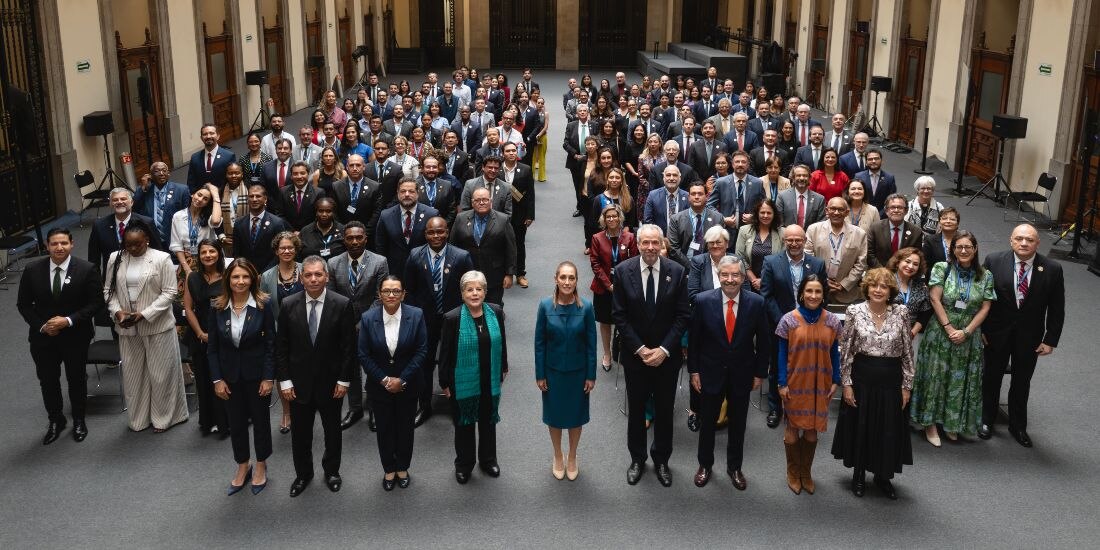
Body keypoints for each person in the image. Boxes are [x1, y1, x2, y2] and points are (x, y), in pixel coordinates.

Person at [612, 224, 691, 487]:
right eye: (645, 243)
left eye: (655, 243)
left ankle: (661, 460)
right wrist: (641, 349)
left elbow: (682, 317)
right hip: (636, 358)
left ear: (661, 244)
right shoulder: (623, 272)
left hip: (666, 359)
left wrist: (664, 350)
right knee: (636, 411)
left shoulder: (677, 273)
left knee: (665, 411)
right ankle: (637, 459)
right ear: (638, 244)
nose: (650, 248)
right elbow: (619, 317)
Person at [688, 255, 770, 490]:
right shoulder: (703, 301)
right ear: (719, 276)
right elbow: (694, 341)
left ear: (743, 277)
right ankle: (705, 465)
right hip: (709, 372)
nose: (730, 279)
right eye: (725, 275)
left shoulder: (756, 303)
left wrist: (759, 373)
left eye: (735, 275)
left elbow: (764, 342)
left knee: (738, 424)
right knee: (707, 423)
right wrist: (694, 371)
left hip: (742, 373)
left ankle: (735, 467)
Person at [832, 268, 915, 499]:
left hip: (891, 380)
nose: (878, 290)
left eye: (884, 286)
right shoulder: (854, 311)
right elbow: (846, 350)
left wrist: (907, 385)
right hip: (862, 379)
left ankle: (883, 476)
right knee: (862, 427)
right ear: (867, 288)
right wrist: (846, 384)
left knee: (887, 429)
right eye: (874, 285)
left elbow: (908, 351)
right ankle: (858, 474)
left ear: (891, 291)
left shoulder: (901, 312)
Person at [276, 256, 355, 497]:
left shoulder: (342, 304)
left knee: (333, 432)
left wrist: (344, 380)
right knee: (300, 434)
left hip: (331, 385)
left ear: (327, 277)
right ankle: (303, 474)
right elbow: (282, 348)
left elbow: (349, 347)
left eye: (318, 274)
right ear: (301, 278)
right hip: (298, 385)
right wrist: (285, 381)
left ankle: (332, 471)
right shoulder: (288, 304)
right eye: (308, 275)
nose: (313, 279)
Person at [980, 224, 1065, 447]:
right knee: (991, 377)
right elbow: (981, 300)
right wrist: (981, 330)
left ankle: (1017, 426)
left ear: (1038, 243)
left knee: (1021, 381)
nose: (1024, 243)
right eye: (1019, 239)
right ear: (1011, 241)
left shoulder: (1053, 269)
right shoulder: (993, 261)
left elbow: (1057, 308)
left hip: (1030, 337)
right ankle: (986, 420)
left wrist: (1050, 340)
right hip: (995, 334)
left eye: (1029, 240)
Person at [17, 228, 104, 445]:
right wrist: (43, 326)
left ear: (72, 244)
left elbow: (96, 303)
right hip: (43, 338)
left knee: (76, 379)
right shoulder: (32, 269)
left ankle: (78, 420)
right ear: (47, 246)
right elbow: (24, 305)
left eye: (64, 243)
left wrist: (68, 320)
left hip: (75, 336)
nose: (59, 248)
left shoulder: (87, 269)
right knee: (48, 381)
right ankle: (56, 419)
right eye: (54, 244)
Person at [103, 220, 189, 433]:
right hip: (127, 326)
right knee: (134, 375)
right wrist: (118, 312)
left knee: (161, 375)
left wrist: (144, 314)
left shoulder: (161, 259)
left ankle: (164, 418)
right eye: (128, 245)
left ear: (147, 241)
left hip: (157, 325)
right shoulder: (116, 258)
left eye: (137, 245)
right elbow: (108, 291)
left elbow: (170, 292)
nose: (132, 249)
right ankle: (139, 419)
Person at [910, 230, 994, 445]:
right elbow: (935, 299)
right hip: (940, 331)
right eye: (959, 247)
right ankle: (930, 425)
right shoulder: (942, 268)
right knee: (935, 376)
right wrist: (949, 328)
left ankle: (952, 423)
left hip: (968, 335)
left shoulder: (985, 275)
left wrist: (966, 331)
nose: (963, 251)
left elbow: (985, 307)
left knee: (959, 378)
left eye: (968, 247)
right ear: (953, 250)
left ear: (975, 249)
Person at [207, 258, 276, 495]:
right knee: (235, 424)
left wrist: (269, 377)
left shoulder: (263, 305)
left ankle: (260, 464)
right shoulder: (217, 307)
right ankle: (242, 464)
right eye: (235, 277)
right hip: (229, 379)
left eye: (245, 277)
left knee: (261, 422)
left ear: (253, 279)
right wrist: (217, 379)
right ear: (228, 279)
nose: (240, 281)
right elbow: (212, 348)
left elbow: (271, 346)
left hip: (257, 377)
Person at [439, 271, 509, 484]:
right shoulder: (452, 318)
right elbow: (445, 354)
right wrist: (444, 382)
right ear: (462, 294)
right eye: (470, 289)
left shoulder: (496, 312)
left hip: (489, 378)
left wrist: (503, 366)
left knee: (488, 421)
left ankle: (488, 460)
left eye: (479, 289)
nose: (475, 293)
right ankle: (464, 464)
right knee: (464, 425)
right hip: (461, 382)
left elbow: (501, 342)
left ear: (485, 292)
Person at [358, 275, 427, 490]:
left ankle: (402, 467)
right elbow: (363, 354)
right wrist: (385, 379)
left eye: (396, 291)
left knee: (405, 428)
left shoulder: (416, 315)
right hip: (380, 386)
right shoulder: (368, 318)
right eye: (386, 291)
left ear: (403, 294)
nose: (391, 295)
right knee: (385, 428)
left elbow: (422, 350)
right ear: (379, 294)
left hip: (408, 385)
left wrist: (403, 379)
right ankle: (389, 468)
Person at [404, 217, 474, 426]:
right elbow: (410, 291)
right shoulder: (415, 256)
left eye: (440, 232)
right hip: (424, 320)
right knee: (423, 364)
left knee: (455, 363)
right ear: (425, 234)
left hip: (454, 319)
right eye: (431, 233)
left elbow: (470, 290)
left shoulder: (462, 257)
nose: (436, 236)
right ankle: (424, 406)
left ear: (447, 232)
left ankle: (457, 405)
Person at [775, 275, 841, 494]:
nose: (813, 296)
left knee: (813, 430)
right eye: (809, 291)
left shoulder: (831, 320)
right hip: (795, 382)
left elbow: (834, 352)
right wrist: (782, 383)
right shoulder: (788, 320)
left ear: (823, 295)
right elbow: (782, 354)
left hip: (821, 382)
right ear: (802, 294)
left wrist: (835, 380)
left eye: (818, 292)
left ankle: (806, 472)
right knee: (793, 427)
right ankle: (793, 472)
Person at [759, 224, 829, 428]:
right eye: (790, 239)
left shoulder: (817, 264)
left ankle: (804, 405)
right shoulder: (771, 262)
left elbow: (822, 295)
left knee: (805, 365)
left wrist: (810, 320)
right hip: (779, 323)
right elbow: (766, 294)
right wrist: (785, 322)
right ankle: (775, 408)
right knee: (777, 365)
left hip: (810, 325)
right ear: (784, 241)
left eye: (798, 239)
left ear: (805, 241)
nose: (794, 243)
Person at [534, 261, 597, 481]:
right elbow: (539, 343)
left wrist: (591, 375)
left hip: (579, 374)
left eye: (571, 278)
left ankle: (572, 455)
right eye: (563, 277)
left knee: (575, 416)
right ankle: (557, 454)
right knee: (555, 416)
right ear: (556, 279)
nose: (567, 282)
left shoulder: (586, 307)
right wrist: (540, 374)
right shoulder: (544, 306)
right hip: (553, 373)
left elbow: (591, 344)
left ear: (577, 281)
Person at [327, 221, 390, 430]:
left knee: (373, 367)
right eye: (350, 238)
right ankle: (355, 408)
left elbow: (381, 296)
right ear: (344, 240)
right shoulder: (334, 263)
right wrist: (347, 323)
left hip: (372, 323)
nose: (354, 242)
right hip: (344, 326)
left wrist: (362, 322)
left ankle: (374, 408)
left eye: (358, 238)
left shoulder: (380, 262)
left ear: (365, 238)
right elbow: (333, 297)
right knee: (350, 367)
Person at [182, 239, 229, 437]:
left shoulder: (228, 276)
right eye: (203, 252)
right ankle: (208, 420)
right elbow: (188, 308)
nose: (208, 255)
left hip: (224, 334)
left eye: (212, 251)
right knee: (203, 378)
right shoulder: (192, 277)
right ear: (198, 256)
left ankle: (225, 421)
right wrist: (200, 333)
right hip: (199, 334)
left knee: (223, 377)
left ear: (219, 253)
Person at [259, 231, 305, 433]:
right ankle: (287, 413)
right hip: (278, 333)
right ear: (276, 251)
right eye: (282, 248)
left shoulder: (306, 270)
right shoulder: (267, 276)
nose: (286, 251)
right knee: (282, 373)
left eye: (290, 247)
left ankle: (303, 410)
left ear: (296, 249)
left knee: (303, 372)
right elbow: (262, 306)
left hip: (304, 332)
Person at [589, 204, 638, 371]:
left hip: (625, 284)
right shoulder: (597, 238)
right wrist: (609, 285)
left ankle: (624, 351)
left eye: (614, 216)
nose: (611, 219)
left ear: (619, 218)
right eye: (608, 216)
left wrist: (622, 285)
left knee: (625, 319)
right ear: (604, 219)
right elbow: (595, 264)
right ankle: (607, 353)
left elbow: (634, 262)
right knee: (605, 321)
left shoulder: (630, 237)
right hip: (604, 285)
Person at [450, 187, 516, 306]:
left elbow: (511, 249)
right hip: (467, 271)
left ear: (491, 201)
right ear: (472, 202)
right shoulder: (461, 218)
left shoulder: (503, 219)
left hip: (494, 273)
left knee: (493, 307)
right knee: (469, 306)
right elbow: (453, 245)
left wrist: (509, 273)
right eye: (477, 200)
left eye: (485, 200)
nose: (481, 202)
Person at [804, 197, 868, 305]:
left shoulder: (860, 234)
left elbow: (861, 264)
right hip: (817, 291)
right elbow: (807, 259)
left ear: (847, 212)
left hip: (847, 293)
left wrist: (844, 284)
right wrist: (823, 281)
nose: (836, 212)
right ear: (826, 211)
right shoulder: (813, 230)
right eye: (833, 209)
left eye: (840, 209)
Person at [374, 178, 440, 278]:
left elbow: (437, 244)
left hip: (424, 270)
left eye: (411, 191)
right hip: (395, 271)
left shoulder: (431, 214)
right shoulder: (385, 215)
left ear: (418, 193)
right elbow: (380, 246)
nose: (407, 194)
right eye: (403, 191)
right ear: (397, 193)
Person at [87, 187, 161, 273]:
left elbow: (158, 251)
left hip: (143, 272)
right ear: (110, 204)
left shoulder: (146, 223)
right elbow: (93, 258)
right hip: (113, 275)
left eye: (123, 199)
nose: (119, 202)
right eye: (115, 200)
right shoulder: (99, 225)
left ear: (132, 202)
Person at [500, 142, 536, 288]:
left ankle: (520, 274)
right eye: (508, 151)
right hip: (500, 214)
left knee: (519, 244)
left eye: (514, 150)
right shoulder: (497, 169)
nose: (511, 153)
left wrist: (530, 215)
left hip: (519, 214)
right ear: (503, 153)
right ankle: (504, 273)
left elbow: (531, 194)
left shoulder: (526, 169)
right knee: (500, 245)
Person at [231, 185, 291, 270]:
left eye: (258, 196)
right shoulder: (239, 223)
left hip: (270, 273)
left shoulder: (277, 223)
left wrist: (265, 274)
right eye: (251, 196)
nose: (254, 199)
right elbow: (236, 252)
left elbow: (279, 253)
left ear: (265, 199)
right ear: (248, 199)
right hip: (246, 272)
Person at [135, 161, 191, 248]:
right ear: (150, 175)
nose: (161, 174)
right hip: (152, 238)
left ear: (168, 174)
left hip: (174, 237)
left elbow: (188, 215)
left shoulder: (181, 190)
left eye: (164, 171)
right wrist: (143, 188)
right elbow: (135, 209)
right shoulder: (144, 191)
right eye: (157, 171)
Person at [169, 183, 223, 274]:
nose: (200, 199)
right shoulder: (178, 216)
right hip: (186, 262)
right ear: (193, 194)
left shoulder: (209, 216)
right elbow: (176, 245)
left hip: (208, 260)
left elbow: (216, 221)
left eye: (205, 199)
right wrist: (187, 269)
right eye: (199, 195)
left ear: (207, 203)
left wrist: (216, 195)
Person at [667, 182, 723, 267]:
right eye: (693, 194)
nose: (696, 197)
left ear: (706, 197)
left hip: (709, 266)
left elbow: (719, 246)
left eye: (700, 194)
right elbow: (673, 248)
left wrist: (704, 266)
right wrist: (691, 266)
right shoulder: (676, 219)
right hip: (683, 266)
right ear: (688, 197)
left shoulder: (717, 218)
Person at [735, 199, 784, 294]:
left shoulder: (782, 233)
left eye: (769, 213)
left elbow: (782, 260)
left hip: (773, 283)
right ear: (757, 213)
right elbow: (740, 257)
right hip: (748, 284)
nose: (765, 216)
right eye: (762, 212)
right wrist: (754, 280)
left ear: (774, 214)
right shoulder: (744, 230)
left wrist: (764, 281)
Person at [867, 194, 924, 268]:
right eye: (892, 207)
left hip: (905, 274)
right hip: (879, 273)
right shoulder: (875, 228)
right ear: (886, 210)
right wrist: (883, 272)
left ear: (906, 211)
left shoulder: (916, 232)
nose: (896, 210)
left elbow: (917, 256)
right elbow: (869, 254)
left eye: (900, 207)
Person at [888, 247, 933, 339]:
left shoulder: (920, 286)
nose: (911, 266)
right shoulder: (886, 281)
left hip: (909, 335)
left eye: (915, 264)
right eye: (907, 261)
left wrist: (912, 333)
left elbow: (925, 313)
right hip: (885, 332)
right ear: (897, 262)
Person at [186, 123, 237, 192]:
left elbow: (232, 179)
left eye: (212, 133)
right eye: (205, 134)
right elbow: (191, 181)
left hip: (222, 197)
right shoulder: (195, 157)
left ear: (218, 136)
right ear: (201, 138)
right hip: (201, 199)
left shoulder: (229, 156)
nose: (208, 136)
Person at [775, 165, 825, 229]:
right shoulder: (782, 197)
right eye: (798, 175)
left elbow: (820, 223)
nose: (801, 178)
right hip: (788, 237)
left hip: (810, 237)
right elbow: (779, 221)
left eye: (805, 176)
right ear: (793, 178)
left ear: (809, 178)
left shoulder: (819, 199)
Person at [298, 197, 346, 261]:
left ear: (334, 213)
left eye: (328, 211)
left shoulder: (342, 230)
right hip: (311, 269)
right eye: (320, 211)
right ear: (316, 212)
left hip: (336, 269)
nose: (324, 214)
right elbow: (298, 254)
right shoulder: (305, 231)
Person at [853, 148, 897, 216]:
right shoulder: (859, 176)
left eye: (876, 158)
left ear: (881, 161)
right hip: (861, 214)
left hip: (882, 216)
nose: (873, 161)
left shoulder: (889, 178)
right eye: (870, 159)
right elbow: (855, 197)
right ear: (866, 162)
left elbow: (891, 200)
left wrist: (879, 215)